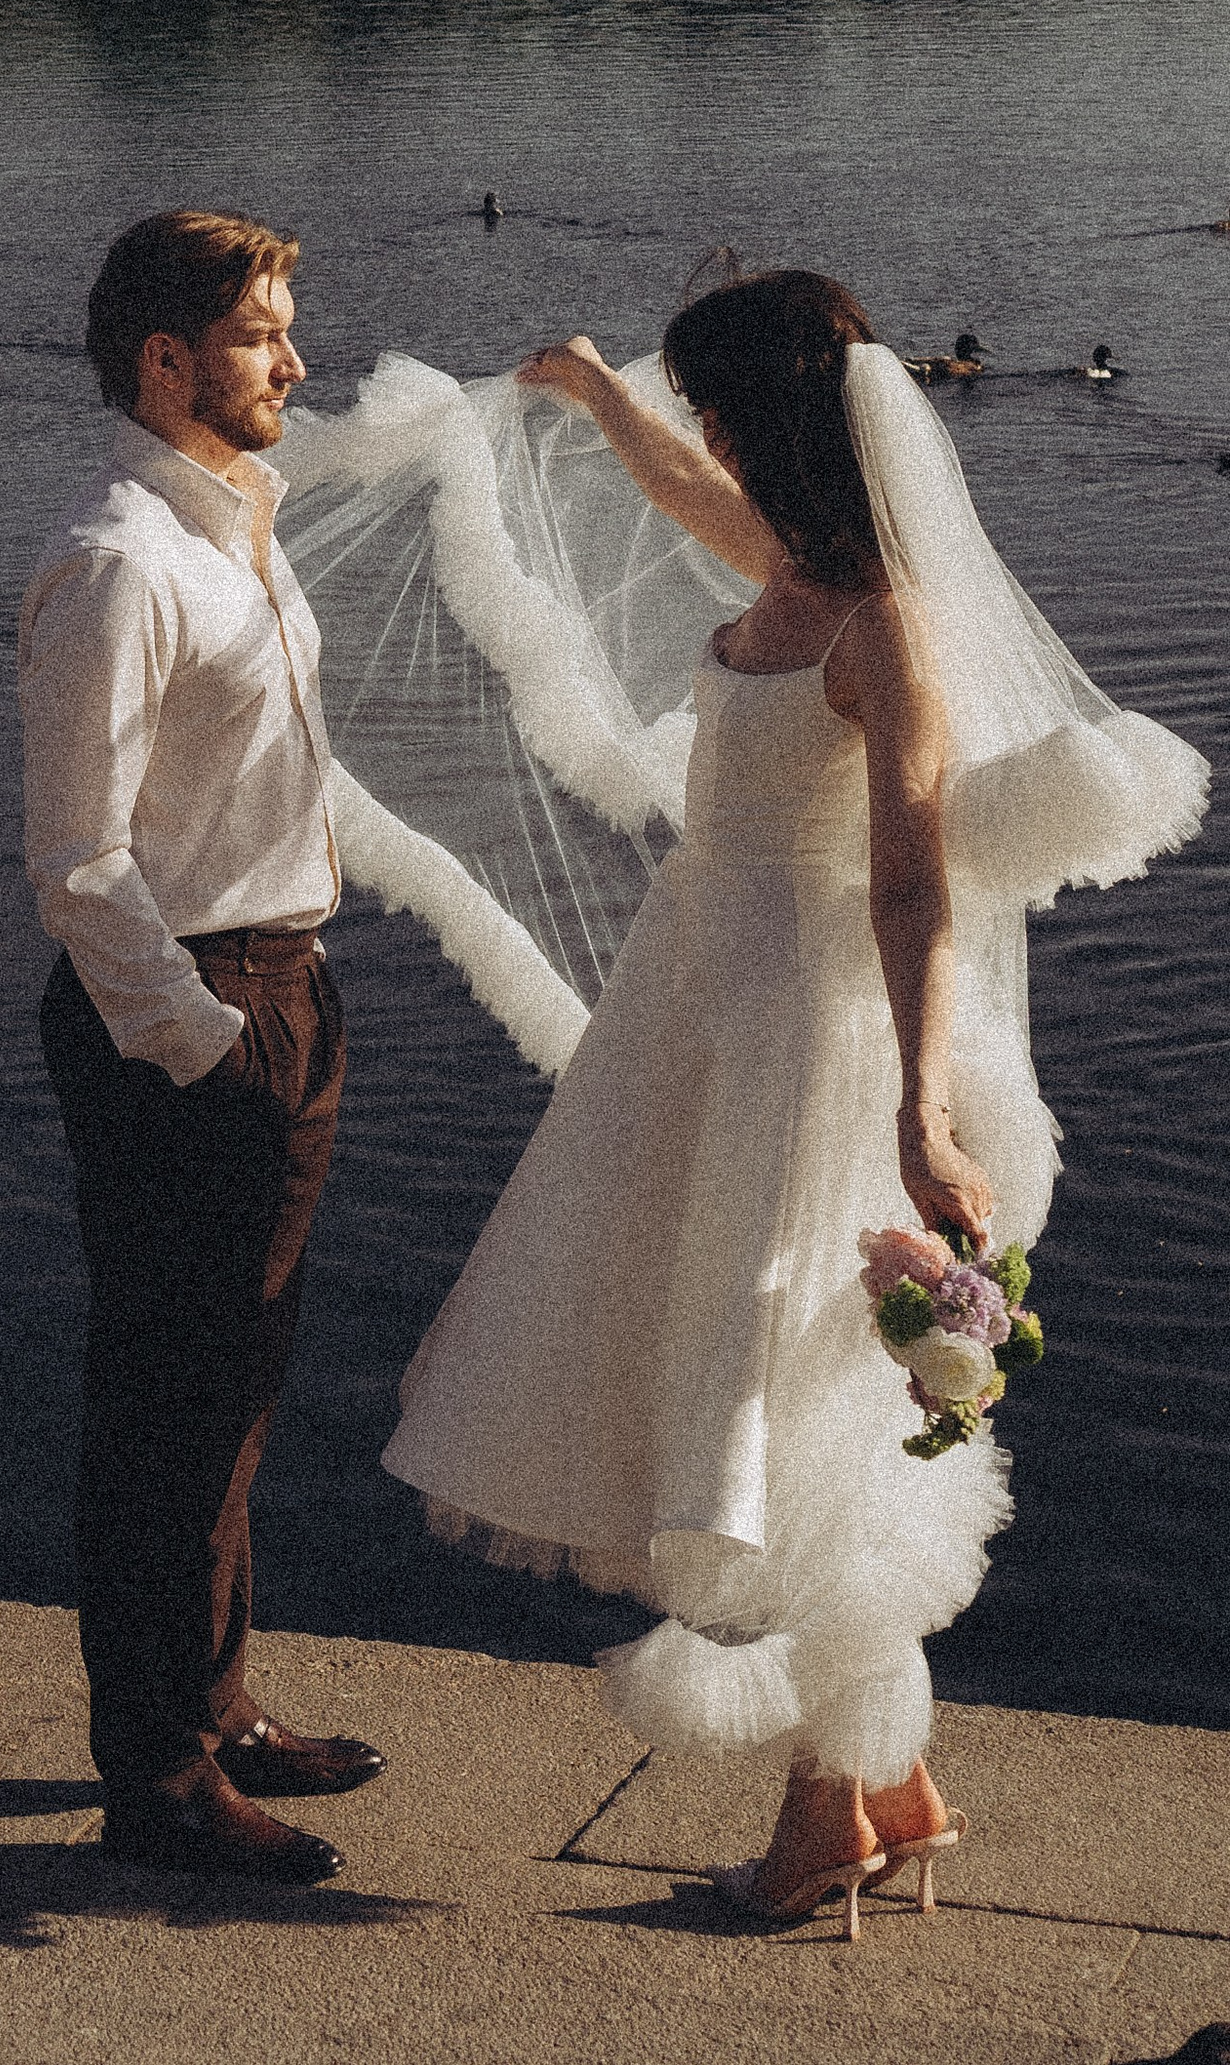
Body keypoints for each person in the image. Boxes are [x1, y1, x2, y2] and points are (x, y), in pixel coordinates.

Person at [369, 269, 1197, 1932]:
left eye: (717, 405)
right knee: (726, 1362)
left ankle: (833, 1805)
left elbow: (913, 883)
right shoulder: (796, 572)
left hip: (808, 1044)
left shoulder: (882, 620)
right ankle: (888, 1786)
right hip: (703, 1011)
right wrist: (601, 401)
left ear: (785, 420)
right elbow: (694, 500)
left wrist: (920, 1109)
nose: (707, 434)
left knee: (793, 1396)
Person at [21, 209, 385, 1885]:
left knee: (234, 1387)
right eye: (260, 336)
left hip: (278, 985)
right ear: (166, 362)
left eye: (286, 329)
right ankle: (155, 1776)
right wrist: (205, 1043)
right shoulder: (118, 563)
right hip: (187, 1011)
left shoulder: (241, 528)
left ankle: (216, 1704)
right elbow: (80, 864)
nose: (295, 363)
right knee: (166, 1400)